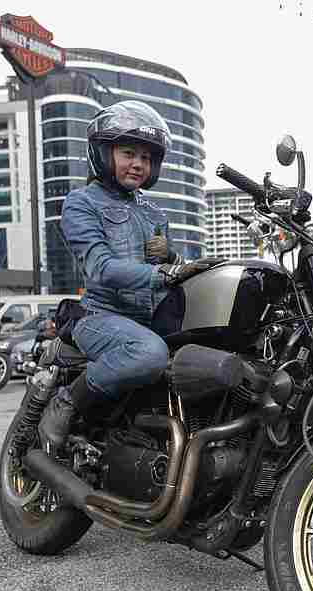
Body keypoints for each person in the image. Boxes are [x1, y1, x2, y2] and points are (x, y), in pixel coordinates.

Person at [39, 100, 223, 448]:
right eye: (128, 153)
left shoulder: (153, 211)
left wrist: (173, 259)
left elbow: (166, 267)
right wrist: (165, 274)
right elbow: (101, 267)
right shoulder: (82, 202)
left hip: (149, 319)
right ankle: (67, 402)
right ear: (104, 153)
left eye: (147, 157)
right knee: (150, 353)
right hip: (101, 316)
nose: (138, 163)